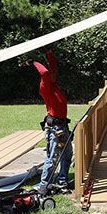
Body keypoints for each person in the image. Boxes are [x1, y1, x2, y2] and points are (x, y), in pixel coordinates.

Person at [26, 49, 71, 191]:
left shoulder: (55, 85)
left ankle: (62, 179)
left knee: (67, 155)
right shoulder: (45, 88)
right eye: (50, 74)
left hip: (63, 127)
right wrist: (34, 62)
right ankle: (44, 185)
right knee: (52, 157)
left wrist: (49, 53)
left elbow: (53, 69)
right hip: (55, 128)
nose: (53, 74)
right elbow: (45, 73)